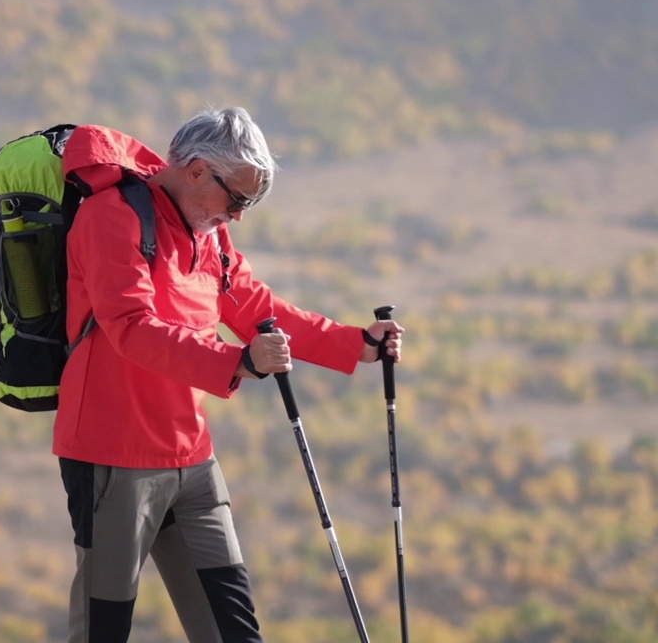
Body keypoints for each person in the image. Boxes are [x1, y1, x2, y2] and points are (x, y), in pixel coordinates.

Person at [54, 106, 403, 642]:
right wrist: (235, 360)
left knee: (233, 631)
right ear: (195, 170)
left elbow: (255, 307)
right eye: (236, 199)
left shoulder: (208, 234)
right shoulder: (113, 216)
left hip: (190, 457)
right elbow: (129, 326)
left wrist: (354, 344)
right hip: (112, 457)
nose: (238, 216)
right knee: (103, 631)